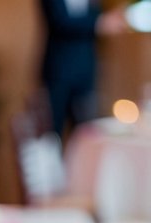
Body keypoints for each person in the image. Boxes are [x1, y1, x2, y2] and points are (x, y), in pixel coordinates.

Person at [38, 0, 128, 136]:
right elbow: (60, 21)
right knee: (51, 132)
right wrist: (99, 22)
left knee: (86, 131)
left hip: (86, 71)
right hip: (58, 71)